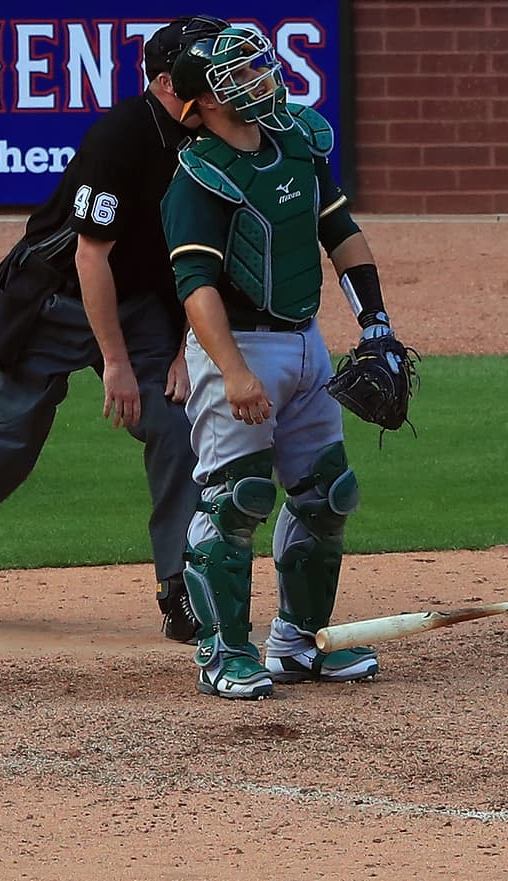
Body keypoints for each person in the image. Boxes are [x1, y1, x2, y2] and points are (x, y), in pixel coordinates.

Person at [0, 17, 230, 640]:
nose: (224, 80)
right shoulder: (119, 137)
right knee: (8, 444)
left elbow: (200, 258)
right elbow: (92, 257)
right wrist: (115, 365)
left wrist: (182, 348)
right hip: (59, 299)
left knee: (176, 424)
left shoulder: (217, 138)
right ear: (170, 82)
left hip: (146, 306)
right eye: (210, 69)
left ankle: (181, 585)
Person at [159, 23, 404, 700]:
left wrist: (376, 324)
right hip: (239, 347)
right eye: (238, 75)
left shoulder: (298, 139)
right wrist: (233, 370)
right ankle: (222, 652)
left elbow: (341, 234)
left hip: (305, 342)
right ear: (203, 102)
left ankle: (299, 642)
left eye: (258, 68)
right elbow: (196, 289)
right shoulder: (198, 178)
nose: (260, 80)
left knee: (328, 494)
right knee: (236, 499)